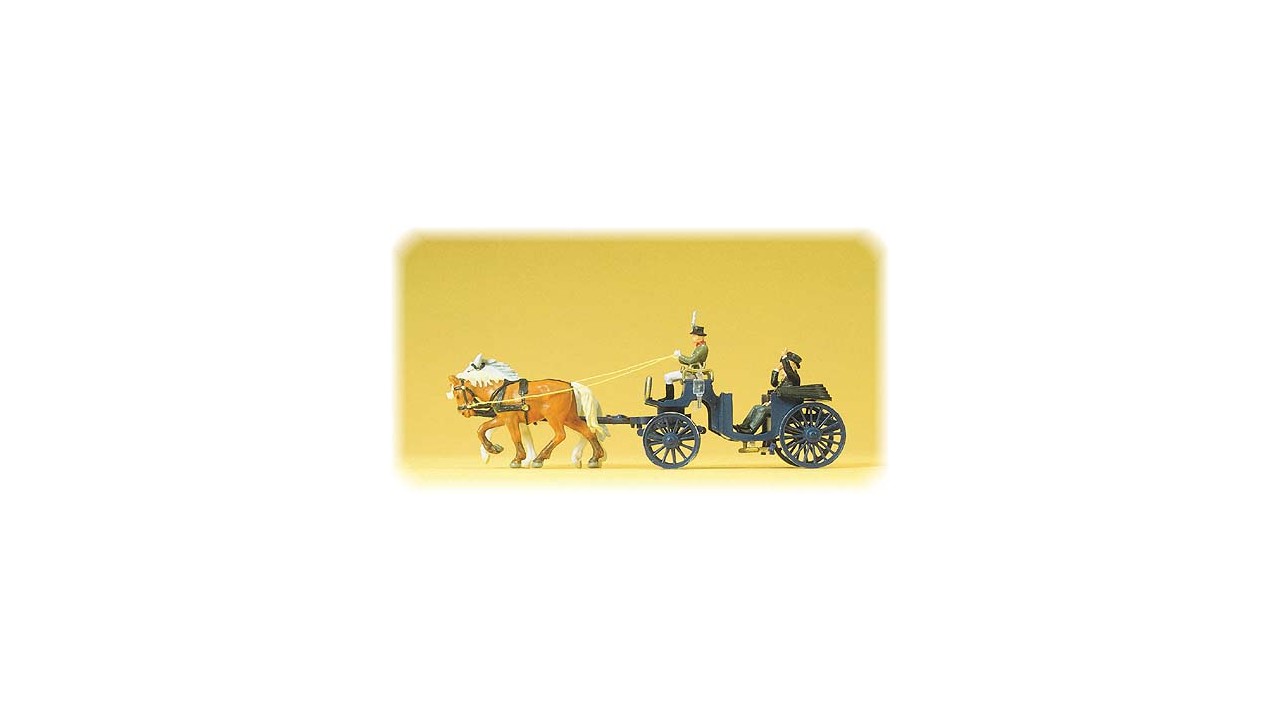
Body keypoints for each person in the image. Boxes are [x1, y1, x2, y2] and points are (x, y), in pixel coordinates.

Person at [734, 350, 802, 434]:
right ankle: (744, 426)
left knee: (763, 410)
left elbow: (788, 372)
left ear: (794, 366)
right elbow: (774, 383)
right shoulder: (785, 379)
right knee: (756, 407)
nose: (784, 367)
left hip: (787, 407)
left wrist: (784, 357)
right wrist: (776, 370)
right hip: (781, 404)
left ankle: (751, 430)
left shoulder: (794, 377)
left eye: (788, 364)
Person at [659, 324, 709, 401]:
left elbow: (691, 360)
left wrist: (680, 356)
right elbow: (690, 361)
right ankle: (670, 398)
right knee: (668, 377)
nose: (692, 338)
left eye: (694, 336)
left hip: (693, 373)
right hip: (692, 371)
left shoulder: (702, 348)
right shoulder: (699, 347)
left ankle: (669, 398)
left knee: (668, 377)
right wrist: (679, 357)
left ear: (699, 337)